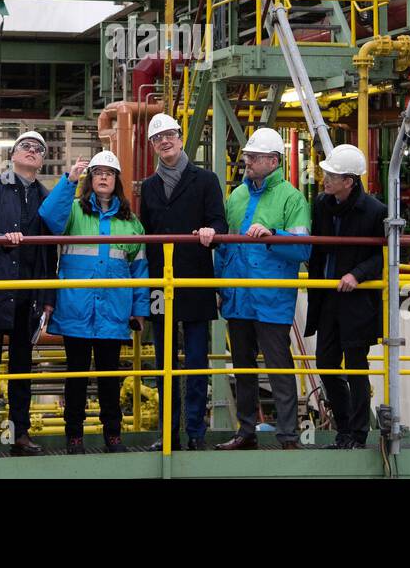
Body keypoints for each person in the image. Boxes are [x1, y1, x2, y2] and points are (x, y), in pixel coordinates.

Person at [39, 150, 148, 454]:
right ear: (89, 180)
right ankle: (73, 436)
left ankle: (113, 435)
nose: (103, 177)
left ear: (117, 181)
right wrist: (68, 180)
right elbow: (48, 216)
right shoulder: (73, 211)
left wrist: (139, 310)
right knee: (76, 377)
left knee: (110, 378)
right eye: (97, 172)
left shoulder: (131, 223)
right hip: (77, 309)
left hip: (113, 312)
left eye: (109, 173)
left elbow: (140, 270)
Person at [214, 127, 311, 450]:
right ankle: (246, 431)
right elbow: (225, 248)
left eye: (253, 158)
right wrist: (219, 285)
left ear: (273, 161)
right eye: (247, 157)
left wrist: (273, 235)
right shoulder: (237, 197)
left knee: (279, 367)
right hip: (239, 297)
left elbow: (303, 250)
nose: (247, 162)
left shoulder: (292, 198)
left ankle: (287, 435)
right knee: (242, 368)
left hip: (271, 300)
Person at [137, 112, 227, 451]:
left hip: (196, 282)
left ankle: (195, 433)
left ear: (180, 137)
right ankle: (168, 434)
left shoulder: (205, 181)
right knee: (164, 364)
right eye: (158, 138)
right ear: (152, 146)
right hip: (162, 285)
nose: (165, 141)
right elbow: (145, 234)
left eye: (170, 134)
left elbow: (220, 225)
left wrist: (211, 232)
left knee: (196, 361)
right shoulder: (149, 187)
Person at [0, 129, 57, 458]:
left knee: (21, 370)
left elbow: (50, 253)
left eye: (39, 149)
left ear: (42, 160)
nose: (32, 151)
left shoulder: (46, 199)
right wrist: (2, 237)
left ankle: (18, 435)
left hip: (29, 296)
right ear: (14, 155)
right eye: (26, 146)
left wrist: (48, 297)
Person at [304, 144, 387, 449]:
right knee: (326, 362)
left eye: (333, 174)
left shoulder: (375, 211)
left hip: (356, 302)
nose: (325, 178)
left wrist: (357, 275)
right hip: (327, 298)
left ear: (349, 181)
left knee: (355, 365)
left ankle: (358, 433)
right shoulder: (323, 204)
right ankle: (344, 429)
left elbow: (382, 256)